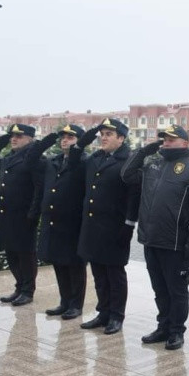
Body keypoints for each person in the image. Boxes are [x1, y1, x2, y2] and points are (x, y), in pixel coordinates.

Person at [121, 124, 189, 350]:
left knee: (177, 291)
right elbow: (127, 175)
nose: (166, 143)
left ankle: (177, 331)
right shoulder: (153, 165)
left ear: (185, 143)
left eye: (171, 139)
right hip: (151, 239)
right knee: (159, 289)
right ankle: (163, 326)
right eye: (164, 139)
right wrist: (143, 151)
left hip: (176, 243)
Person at [75, 118, 139, 335]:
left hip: (114, 227)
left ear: (121, 138)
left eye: (109, 134)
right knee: (99, 274)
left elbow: (133, 196)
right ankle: (103, 312)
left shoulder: (128, 161)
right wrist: (87, 136)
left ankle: (116, 316)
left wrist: (129, 225)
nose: (103, 137)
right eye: (101, 134)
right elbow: (75, 158)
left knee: (115, 274)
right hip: (93, 226)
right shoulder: (95, 158)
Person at [26, 124, 88, 320]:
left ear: (79, 141)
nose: (64, 140)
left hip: (73, 223)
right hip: (53, 222)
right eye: (62, 137)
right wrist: (47, 139)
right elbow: (30, 160)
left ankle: (76, 305)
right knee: (59, 264)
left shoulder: (85, 162)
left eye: (70, 137)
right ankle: (64, 301)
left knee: (75, 266)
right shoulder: (53, 162)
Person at [0, 124, 43, 306]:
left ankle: (28, 290)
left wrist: (33, 214)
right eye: (12, 136)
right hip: (6, 216)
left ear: (30, 139)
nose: (14, 139)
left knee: (26, 255)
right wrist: (1, 139)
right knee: (11, 253)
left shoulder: (34, 158)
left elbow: (39, 189)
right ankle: (19, 287)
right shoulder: (9, 157)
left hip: (24, 217)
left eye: (19, 135)